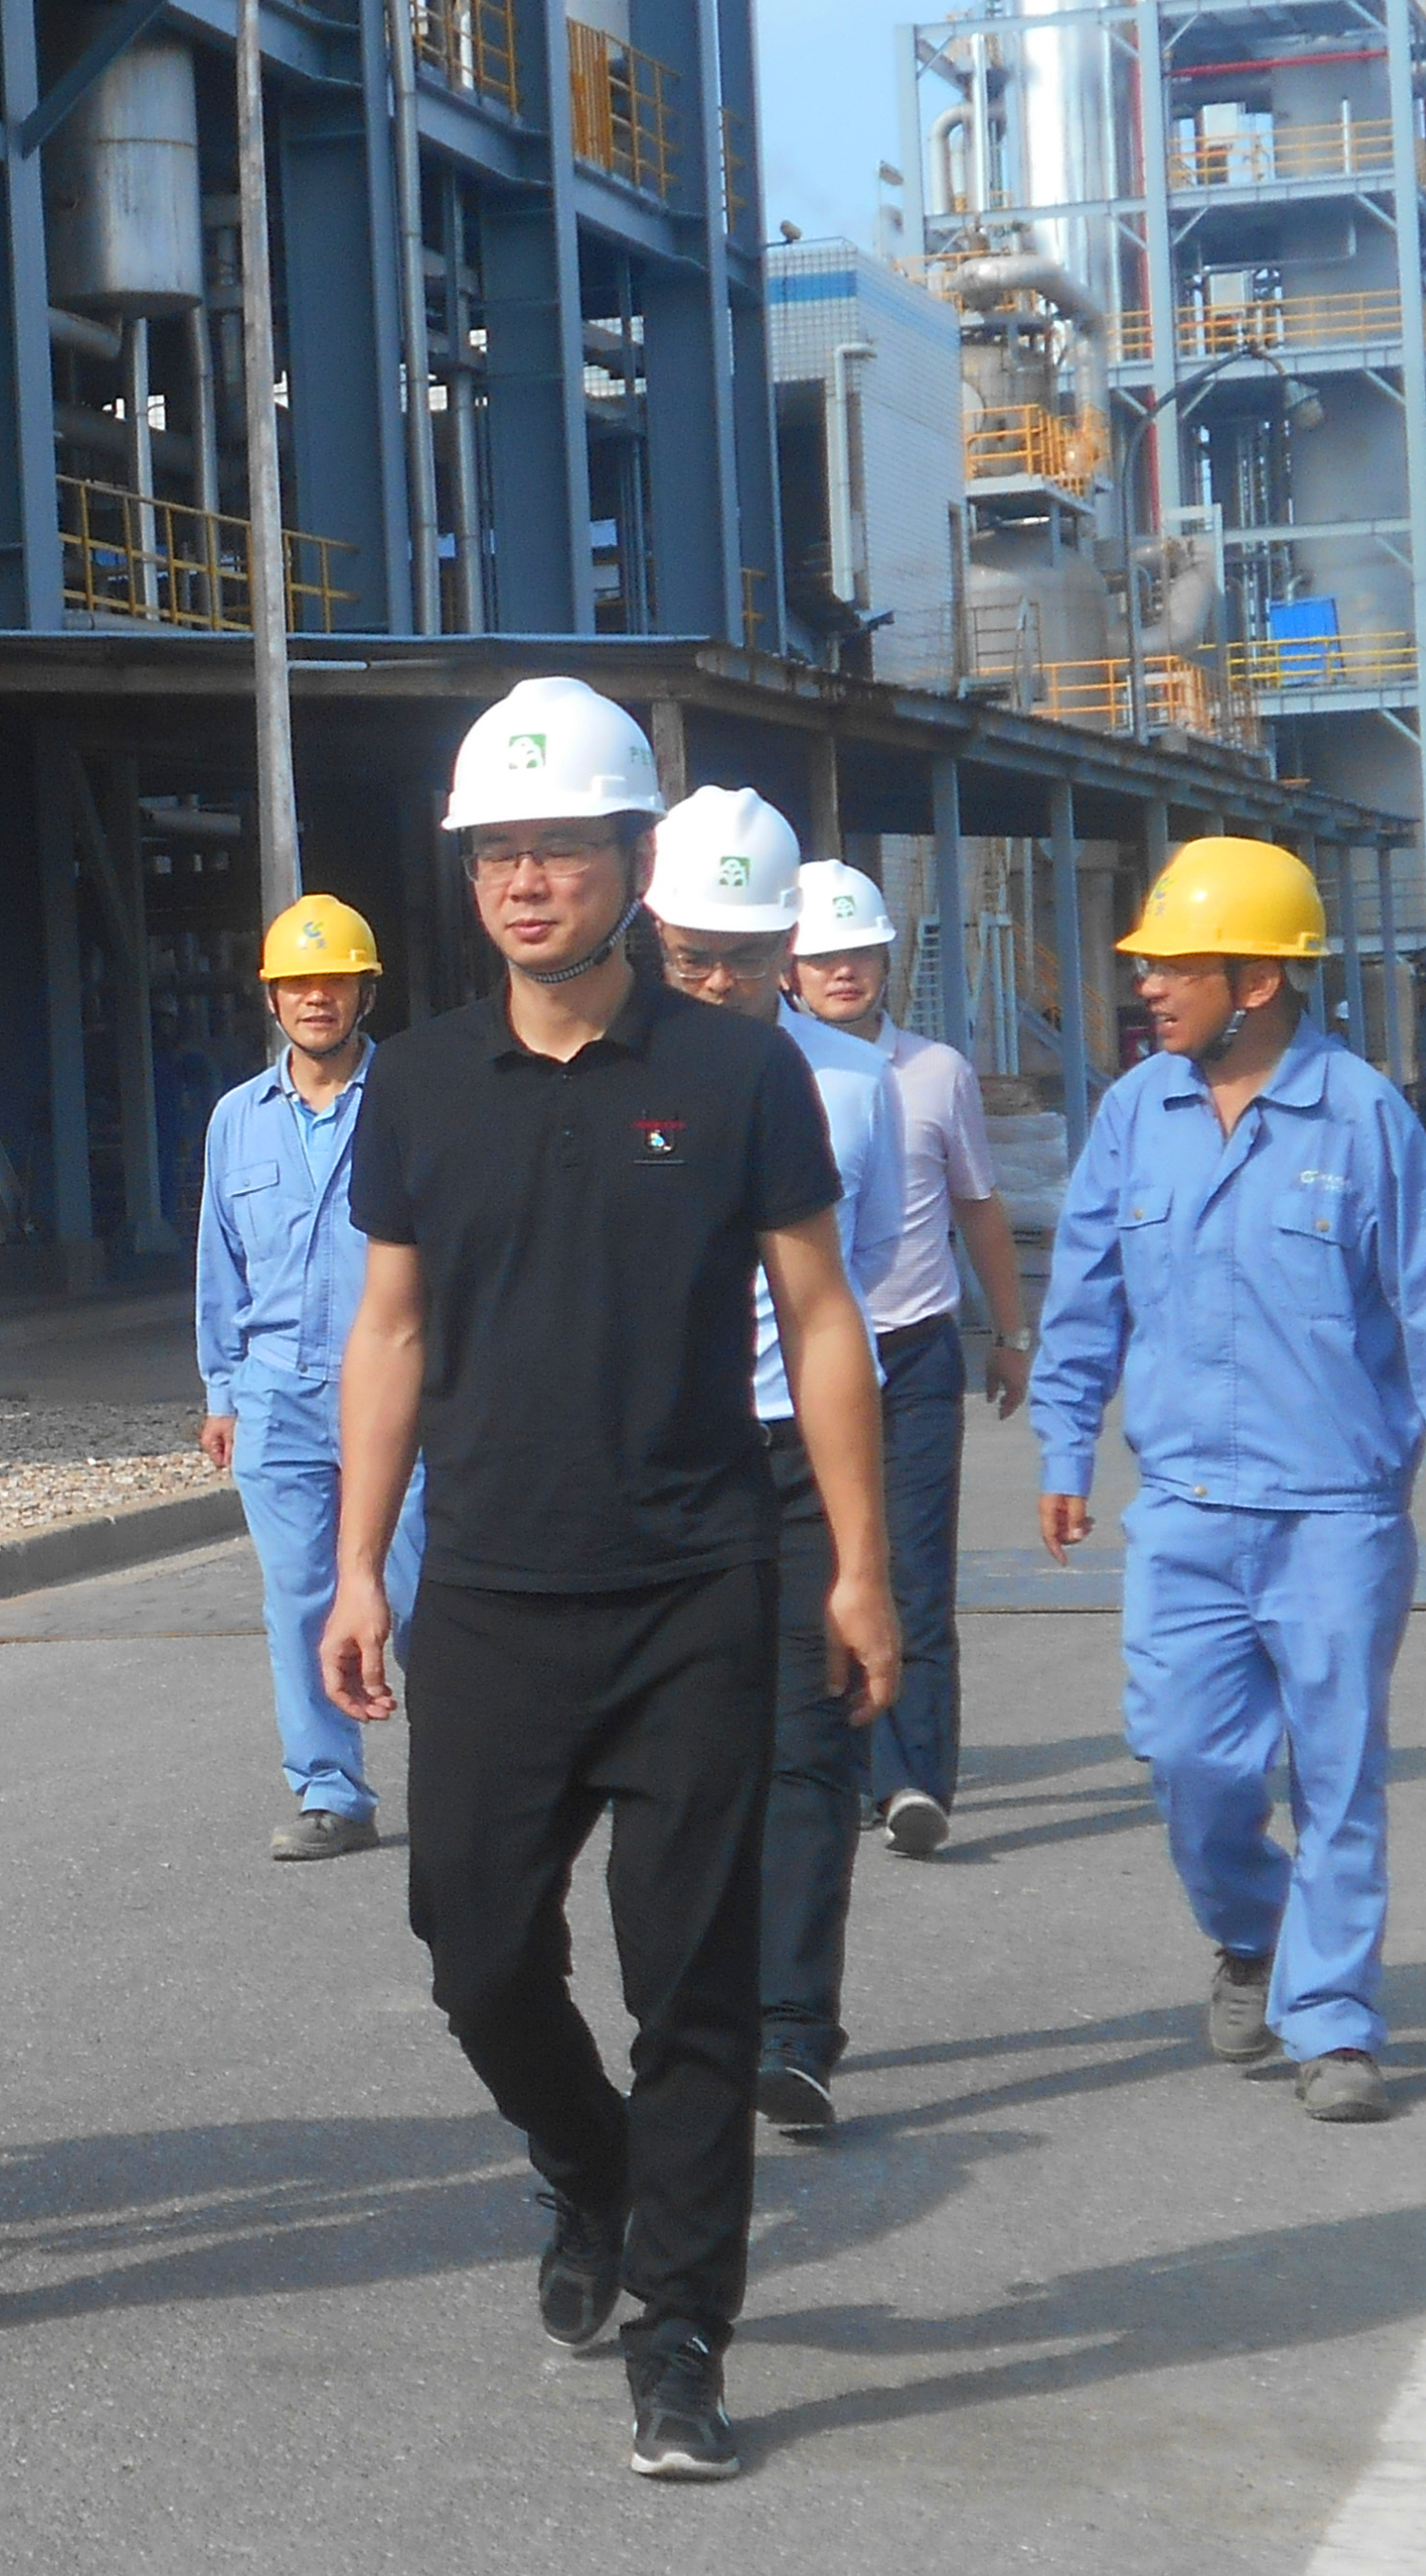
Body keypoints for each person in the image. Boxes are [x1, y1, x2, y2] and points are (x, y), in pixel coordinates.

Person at [315, 677, 898, 2482]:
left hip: (694, 1586)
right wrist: (355, 1566)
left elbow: (822, 1317)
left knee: (691, 1983)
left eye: (558, 848)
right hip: (492, 1592)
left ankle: (683, 2335)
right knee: (475, 1955)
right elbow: (389, 1330)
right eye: (496, 852)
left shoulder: (737, 1072)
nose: (524, 881)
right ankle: (589, 2167)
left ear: (634, 864)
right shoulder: (420, 1083)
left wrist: (860, 1567)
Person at [1032, 837, 1426, 2126]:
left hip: (1335, 1515)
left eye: (1176, 967)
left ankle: (1335, 2023)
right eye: (1148, 967)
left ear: (1256, 979)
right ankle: (1252, 1932)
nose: (1147, 988)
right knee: (1186, 1759)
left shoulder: (1360, 1116)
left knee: (1337, 1775)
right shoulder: (1133, 1115)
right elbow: (1082, 1292)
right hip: (1185, 1509)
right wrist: (1063, 1443)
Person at [641, 793, 900, 2141]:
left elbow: (861, 1287)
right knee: (683, 1757)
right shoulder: (606, 1075)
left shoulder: (852, 1084)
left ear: (786, 943)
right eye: (692, 958)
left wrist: (865, 1555)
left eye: (744, 958)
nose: (718, 982)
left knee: (807, 1741)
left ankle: (793, 2028)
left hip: (797, 1451)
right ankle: (692, 2015)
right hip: (661, 1457)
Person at [790, 860, 1035, 1857]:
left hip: (913, 1350)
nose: (842, 972)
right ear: (788, 968)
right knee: (814, 1568)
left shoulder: (935, 1072)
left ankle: (911, 1780)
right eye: (821, 957)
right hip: (800, 1359)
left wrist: (1010, 1334)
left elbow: (977, 1206)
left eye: (858, 953)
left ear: (887, 960)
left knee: (914, 1572)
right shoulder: (773, 1070)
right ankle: (835, 1762)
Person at [194, 894, 428, 1860]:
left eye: (333, 981)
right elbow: (218, 1262)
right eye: (296, 984)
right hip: (277, 1393)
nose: (315, 998)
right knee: (298, 1597)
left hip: (401, 1392)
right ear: (272, 998)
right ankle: (330, 1792)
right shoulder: (235, 1121)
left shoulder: (415, 1099)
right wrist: (220, 1392)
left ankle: (467, 1775)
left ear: (365, 992)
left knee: (420, 1592)